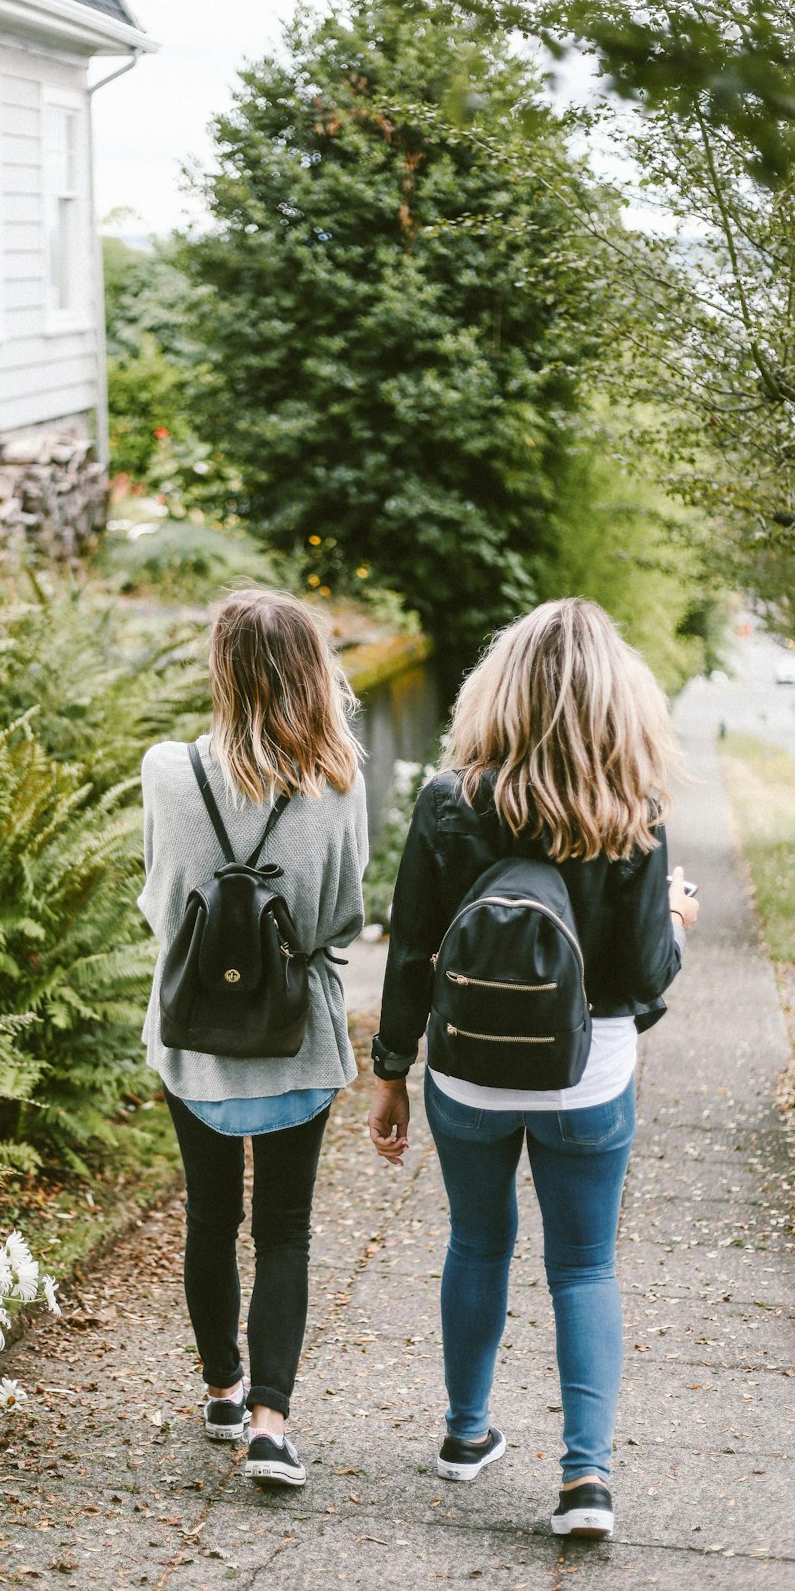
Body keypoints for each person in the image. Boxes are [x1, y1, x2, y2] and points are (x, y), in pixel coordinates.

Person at [366, 599, 698, 1540]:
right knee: (585, 1265)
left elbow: (412, 951)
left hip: (466, 1076)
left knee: (477, 1244)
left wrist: (391, 1071)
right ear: (617, 698)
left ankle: (465, 1436)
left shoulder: (447, 799)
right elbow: (640, 979)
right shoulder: (631, 808)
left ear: (498, 687)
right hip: (588, 1077)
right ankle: (585, 1481)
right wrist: (673, 918)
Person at [139, 588, 368, 1489]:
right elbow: (344, 918)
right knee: (284, 1232)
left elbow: (159, 905)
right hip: (295, 1043)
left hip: (194, 1041)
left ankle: (224, 1391)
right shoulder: (339, 780)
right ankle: (272, 1426)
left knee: (208, 1215)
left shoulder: (167, 770)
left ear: (222, 670)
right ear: (313, 671)